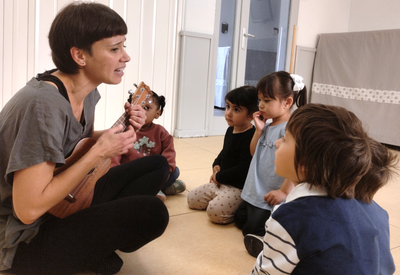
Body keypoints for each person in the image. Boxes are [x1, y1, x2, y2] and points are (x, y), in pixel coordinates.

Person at [0, 2, 169, 275]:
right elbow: (28, 210)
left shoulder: (86, 91)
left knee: (158, 165)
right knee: (152, 214)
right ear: (80, 56)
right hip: (23, 236)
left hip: (64, 200)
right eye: (115, 49)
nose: (126, 57)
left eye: (124, 46)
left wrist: (118, 134)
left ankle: (89, 246)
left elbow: (73, 144)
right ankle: (83, 250)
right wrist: (99, 152)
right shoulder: (43, 105)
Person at [251, 103, 398, 274]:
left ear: (305, 162)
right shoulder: (361, 207)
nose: (277, 143)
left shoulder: (291, 217)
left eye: (285, 139)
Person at [234, 71, 307, 255]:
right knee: (240, 219)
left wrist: (283, 192)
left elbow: (296, 163)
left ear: (287, 102)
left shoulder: (290, 129)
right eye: (260, 100)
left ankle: (275, 241)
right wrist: (258, 131)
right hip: (255, 190)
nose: (260, 105)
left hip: (271, 194)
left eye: (266, 100)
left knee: (250, 230)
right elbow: (253, 153)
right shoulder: (266, 124)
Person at [187, 85, 258, 224]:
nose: (228, 113)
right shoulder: (231, 129)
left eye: (236, 109)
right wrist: (216, 165)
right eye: (227, 107)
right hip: (220, 182)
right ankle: (221, 201)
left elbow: (244, 168)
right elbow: (224, 152)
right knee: (192, 199)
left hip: (237, 188)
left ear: (251, 115)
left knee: (215, 214)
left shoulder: (251, 136)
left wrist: (219, 176)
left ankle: (236, 207)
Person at [111, 91, 186, 202]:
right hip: (131, 175)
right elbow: (114, 156)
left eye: (146, 108)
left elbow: (169, 156)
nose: (140, 112)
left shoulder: (161, 132)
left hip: (152, 174)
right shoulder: (125, 131)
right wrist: (115, 174)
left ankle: (153, 188)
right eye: (137, 107)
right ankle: (156, 190)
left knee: (175, 171)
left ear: (157, 113)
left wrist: (163, 175)